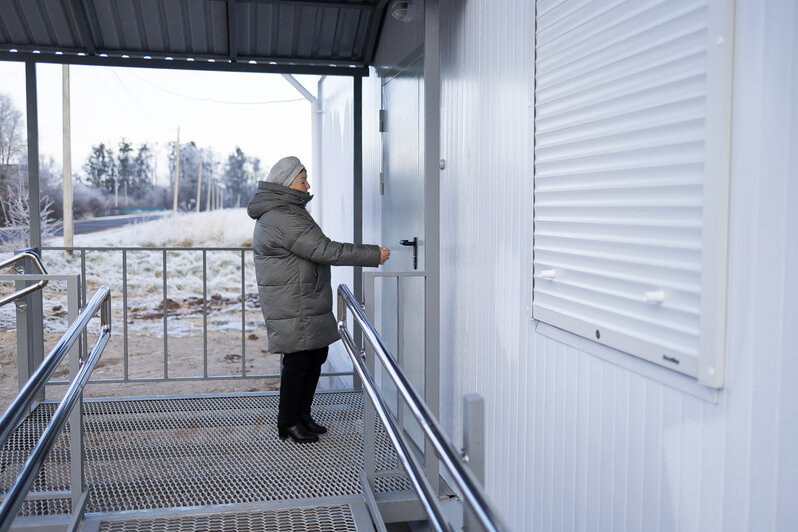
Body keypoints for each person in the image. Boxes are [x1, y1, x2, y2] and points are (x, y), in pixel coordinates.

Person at [247, 156, 390, 443]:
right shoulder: (282, 216)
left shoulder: (287, 211)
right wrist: (374, 254)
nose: (308, 185)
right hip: (293, 302)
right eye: (303, 180)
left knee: (314, 357)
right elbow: (325, 250)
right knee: (299, 362)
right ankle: (288, 423)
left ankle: (302, 415)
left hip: (302, 298)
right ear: (287, 182)